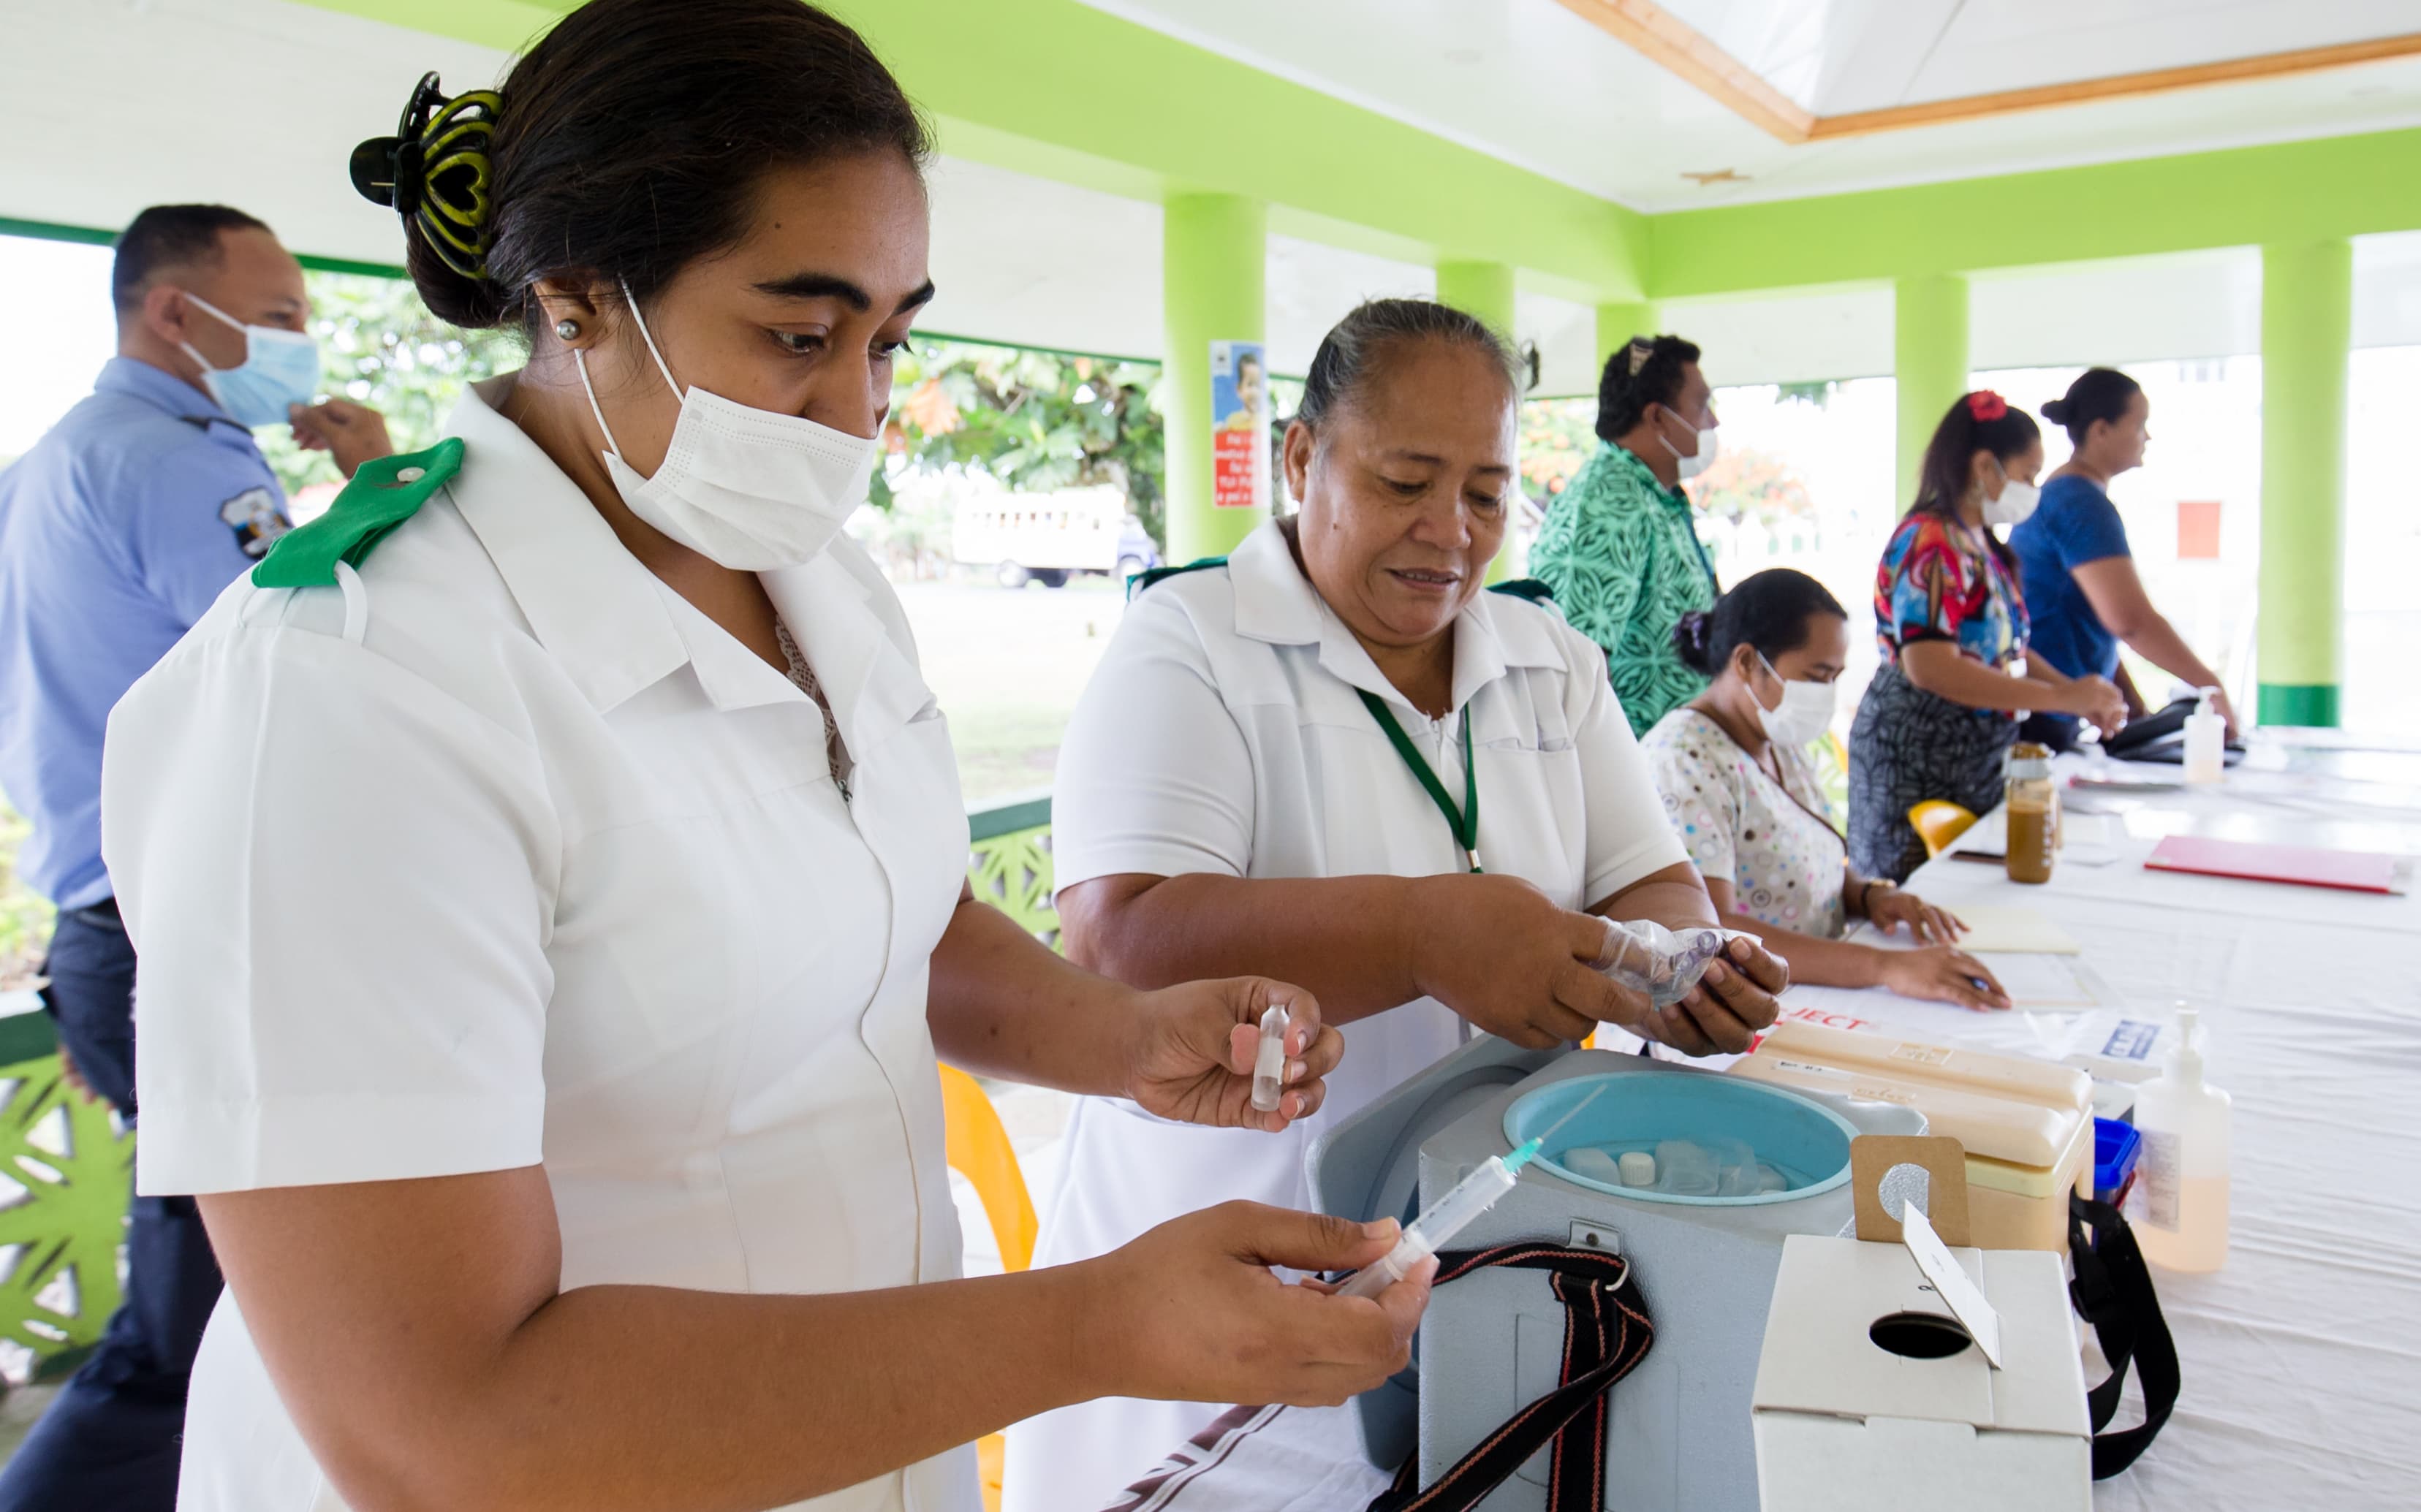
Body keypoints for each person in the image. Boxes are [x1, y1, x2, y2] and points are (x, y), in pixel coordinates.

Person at [94, 7, 1425, 1509]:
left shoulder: (807, 576)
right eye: (800, 334)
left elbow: (883, 903)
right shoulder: (352, 697)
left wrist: (1112, 1035)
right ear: (575, 295)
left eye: (892, 336)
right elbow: (439, 1426)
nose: (861, 408)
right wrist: (1100, 1319)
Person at [1009, 299, 1790, 1506]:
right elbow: (1121, 935)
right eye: (1403, 480)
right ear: (1299, 457)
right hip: (1224, 1273)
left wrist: (1682, 966)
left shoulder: (1547, 658)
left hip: (1477, 1256)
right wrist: (1422, 933)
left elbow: (1649, 880)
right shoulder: (1193, 644)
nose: (1449, 532)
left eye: (1484, 490)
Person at [0, 202, 394, 1511]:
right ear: (176, 313)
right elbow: (314, 662)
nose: (299, 343)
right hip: (176, 930)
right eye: (280, 316)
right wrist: (381, 483)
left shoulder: (55, 459)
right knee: (200, 1321)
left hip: (105, 918)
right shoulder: (182, 464)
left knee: (223, 1289)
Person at [1648, 570, 2011, 1011]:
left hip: (1812, 989)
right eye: (1817, 675)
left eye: (1836, 676)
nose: (1827, 693)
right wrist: (1884, 967)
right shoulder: (1682, 760)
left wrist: (1869, 896)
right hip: (1729, 1017)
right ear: (1746, 662)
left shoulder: (1776, 740)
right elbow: (1715, 928)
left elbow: (1806, 862)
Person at [1846, 392, 2126, 883]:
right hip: (1918, 752)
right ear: (1984, 466)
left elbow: (2007, 650)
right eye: (2027, 475)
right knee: (1920, 897)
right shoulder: (1929, 540)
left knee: (1975, 891)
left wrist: (2075, 694)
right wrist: (2060, 696)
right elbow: (1930, 666)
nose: (2032, 489)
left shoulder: (1978, 543)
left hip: (1971, 752)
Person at [2011, 367, 2236, 748]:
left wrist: (2133, 705)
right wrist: (2211, 687)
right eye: (2139, 425)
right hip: (2047, 711)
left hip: (2061, 707)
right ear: (2101, 430)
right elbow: (2130, 622)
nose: (2146, 437)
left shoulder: (2068, 495)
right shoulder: (2079, 502)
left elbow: (2095, 622)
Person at [1528, 333, 1720, 736]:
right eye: (1702, 406)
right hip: (1634, 769)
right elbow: (1577, 668)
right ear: (1657, 418)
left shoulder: (1655, 497)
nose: (1713, 421)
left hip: (1673, 762)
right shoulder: (1607, 499)